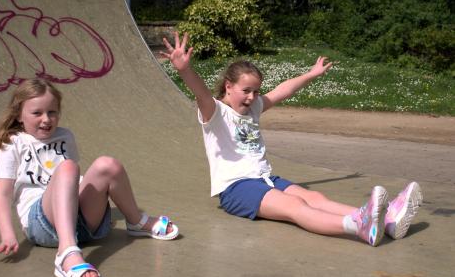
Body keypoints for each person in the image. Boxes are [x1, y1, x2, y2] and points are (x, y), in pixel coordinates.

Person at [162, 32, 422, 247]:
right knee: (295, 206)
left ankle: (386, 220)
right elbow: (201, 94)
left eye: (256, 91)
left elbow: (282, 91)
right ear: (228, 86)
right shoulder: (216, 113)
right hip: (236, 188)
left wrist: (311, 74)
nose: (252, 97)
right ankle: (358, 227)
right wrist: (185, 70)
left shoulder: (252, 108)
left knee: (316, 197)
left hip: (265, 179)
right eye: (246, 91)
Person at [0, 79, 179, 277]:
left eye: (52, 112)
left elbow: (74, 184)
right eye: (37, 113)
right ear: (19, 115)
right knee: (67, 167)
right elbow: (2, 194)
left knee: (108, 164)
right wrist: (7, 233)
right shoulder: (13, 143)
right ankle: (66, 253)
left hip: (82, 223)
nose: (46, 119)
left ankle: (137, 222)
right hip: (42, 225)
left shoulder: (65, 136)